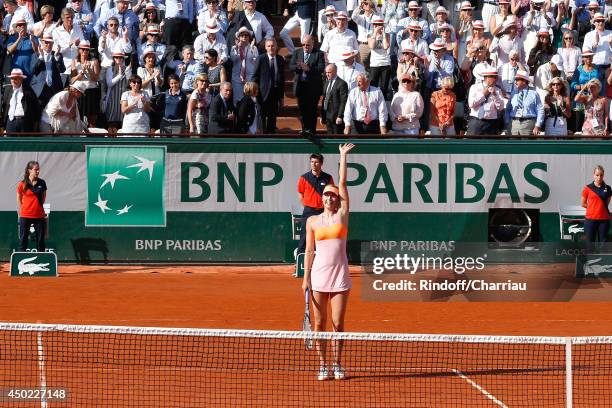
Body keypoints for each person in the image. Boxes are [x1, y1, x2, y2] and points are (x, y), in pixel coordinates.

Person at [302, 143, 355, 382]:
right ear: (322, 199)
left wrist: (342, 157)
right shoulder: (312, 221)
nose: (329, 197)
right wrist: (305, 279)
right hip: (318, 278)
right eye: (326, 194)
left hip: (340, 277)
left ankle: (338, 364)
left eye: (332, 195)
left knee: (337, 324)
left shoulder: (342, 216)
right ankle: (323, 365)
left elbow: (342, 184)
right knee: (319, 324)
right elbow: (309, 250)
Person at [290, 34, 325, 135]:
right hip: (301, 87)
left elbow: (321, 68)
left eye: (308, 45)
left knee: (312, 111)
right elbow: (291, 66)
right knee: (302, 111)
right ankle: (304, 130)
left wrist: (308, 69)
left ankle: (312, 131)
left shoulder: (319, 54)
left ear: (312, 44)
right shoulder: (297, 52)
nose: (305, 46)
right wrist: (299, 67)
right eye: (304, 44)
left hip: (313, 88)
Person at [253, 38, 284, 134]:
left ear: (276, 47)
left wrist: (281, 97)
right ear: (265, 47)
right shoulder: (261, 59)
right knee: (261, 117)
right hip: (262, 93)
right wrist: (255, 92)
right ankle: (262, 140)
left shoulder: (280, 59)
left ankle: (271, 138)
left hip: (275, 94)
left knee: (272, 118)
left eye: (273, 46)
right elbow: (255, 77)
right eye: (269, 46)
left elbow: (282, 79)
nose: (271, 48)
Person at [16, 161, 47, 252]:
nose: (38, 171)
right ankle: (21, 260)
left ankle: (41, 259)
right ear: (29, 170)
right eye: (35, 170)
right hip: (25, 215)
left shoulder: (42, 183)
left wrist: (37, 207)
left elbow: (43, 198)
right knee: (23, 240)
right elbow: (18, 198)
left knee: (40, 240)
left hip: (39, 216)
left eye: (38, 170)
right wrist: (22, 210)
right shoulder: (22, 184)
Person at [581, 165, 612, 253]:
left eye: (601, 175)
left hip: (604, 220)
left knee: (604, 246)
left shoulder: (608, 188)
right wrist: (593, 208)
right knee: (590, 245)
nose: (599, 177)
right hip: (590, 220)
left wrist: (600, 208)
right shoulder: (587, 188)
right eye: (597, 175)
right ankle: (590, 265)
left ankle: (603, 264)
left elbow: (606, 203)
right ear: (593, 175)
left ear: (603, 175)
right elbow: (583, 204)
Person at [70, 40, 100, 127]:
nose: (84, 51)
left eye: (87, 50)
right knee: (78, 118)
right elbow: (72, 80)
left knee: (92, 119)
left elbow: (96, 78)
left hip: (91, 92)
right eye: (83, 49)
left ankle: (91, 138)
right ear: (79, 50)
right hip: (78, 92)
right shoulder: (74, 61)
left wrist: (89, 70)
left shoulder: (94, 61)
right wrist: (81, 74)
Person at [505, 70, 545, 135]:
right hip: (513, 124)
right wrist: (507, 122)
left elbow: (540, 110)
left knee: (526, 145)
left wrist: (537, 125)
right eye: (515, 80)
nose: (515, 82)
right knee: (512, 145)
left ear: (524, 81)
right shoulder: (513, 93)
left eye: (517, 80)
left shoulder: (534, 93)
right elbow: (508, 108)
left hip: (528, 124)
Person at [466, 70, 505, 135]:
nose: (495, 79)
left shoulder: (497, 90)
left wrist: (495, 96)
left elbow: (500, 108)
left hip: (491, 123)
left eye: (496, 77)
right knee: (472, 144)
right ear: (487, 78)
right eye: (493, 77)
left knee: (490, 144)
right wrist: (483, 95)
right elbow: (471, 104)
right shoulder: (475, 87)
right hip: (476, 121)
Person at [1, 68, 40, 133]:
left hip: (24, 122)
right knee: (10, 142)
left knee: (24, 142)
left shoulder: (28, 91)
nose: (13, 80)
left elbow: (36, 107)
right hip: (10, 121)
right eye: (12, 78)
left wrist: (35, 122)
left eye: (15, 78)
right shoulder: (7, 91)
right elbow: (4, 107)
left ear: (21, 79)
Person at [320, 63, 349, 134]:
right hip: (327, 115)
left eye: (329, 72)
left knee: (337, 136)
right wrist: (322, 115)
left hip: (336, 116)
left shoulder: (342, 83)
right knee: (329, 136)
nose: (327, 74)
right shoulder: (326, 83)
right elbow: (325, 99)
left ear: (335, 71)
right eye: (326, 72)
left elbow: (343, 101)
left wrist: (340, 116)